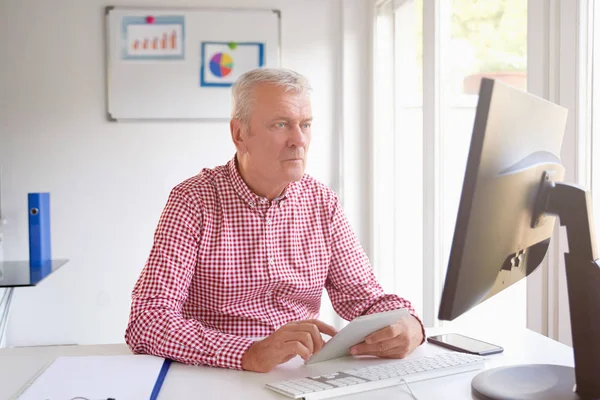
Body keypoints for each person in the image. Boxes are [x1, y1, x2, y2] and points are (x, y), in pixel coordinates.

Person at [125, 67, 424, 373]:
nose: (299, 140)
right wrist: (249, 353)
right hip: (217, 374)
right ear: (240, 134)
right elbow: (147, 321)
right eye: (281, 124)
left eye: (305, 124)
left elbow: (365, 297)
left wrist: (410, 324)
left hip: (300, 375)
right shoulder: (193, 201)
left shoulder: (322, 202)